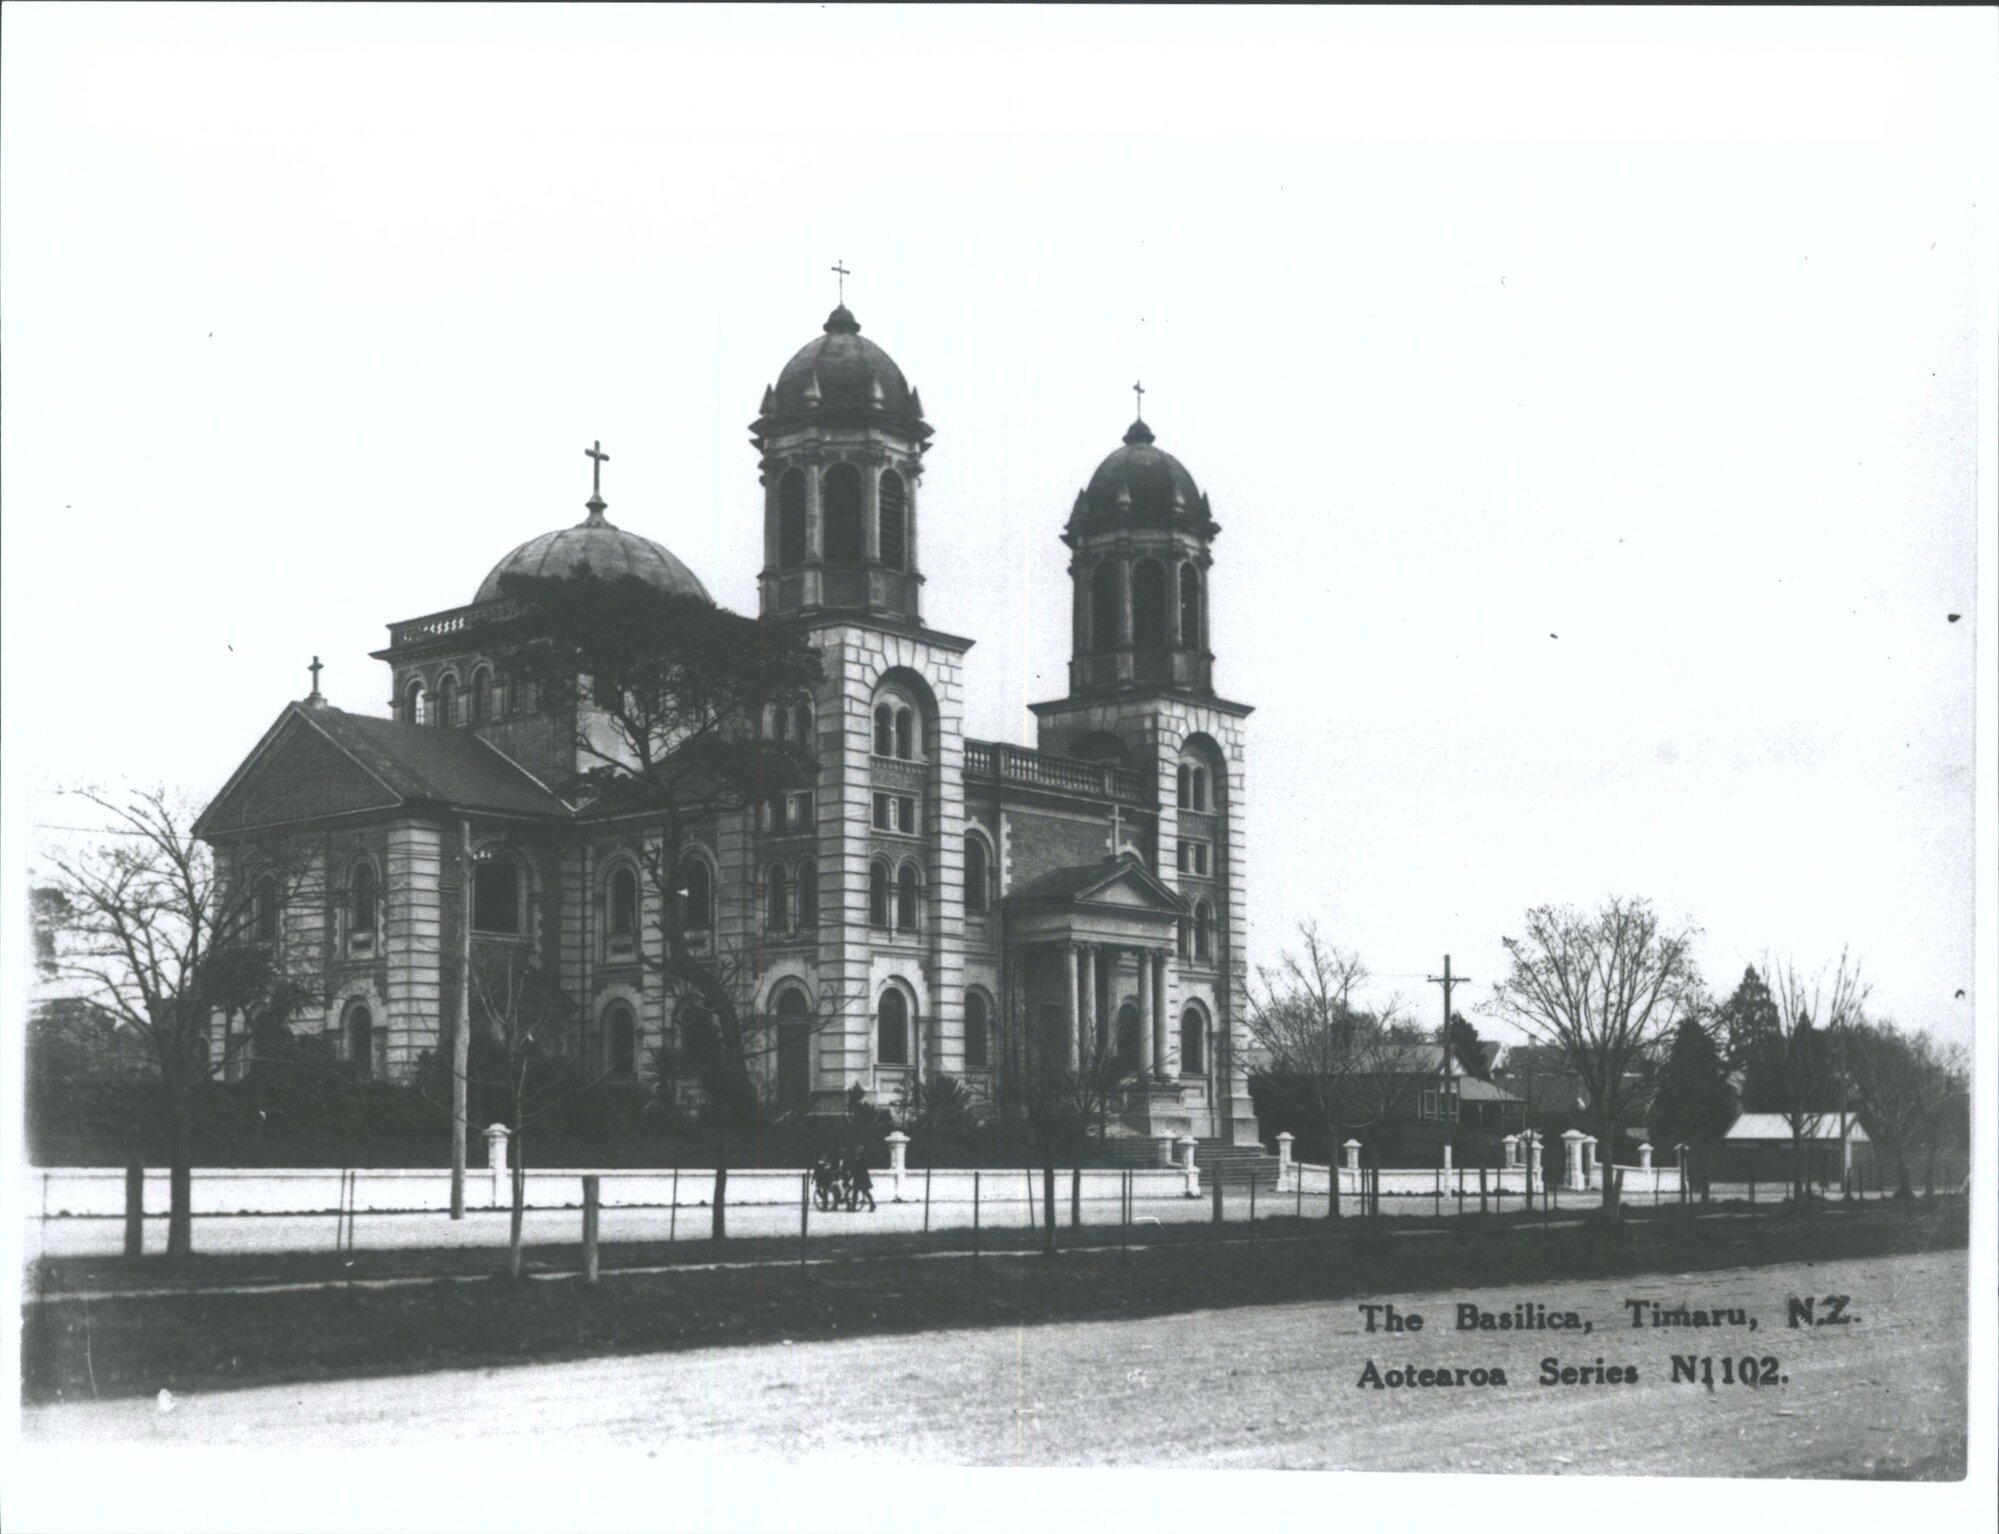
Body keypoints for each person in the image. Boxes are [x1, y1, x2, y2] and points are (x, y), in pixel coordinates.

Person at [847, 1148, 876, 1213]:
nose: (857, 1151)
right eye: (857, 1150)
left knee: (866, 1192)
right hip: (857, 1177)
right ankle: (853, 1207)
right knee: (855, 1192)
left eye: (859, 1150)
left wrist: (856, 1168)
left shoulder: (864, 1158)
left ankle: (872, 1204)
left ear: (862, 1151)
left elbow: (865, 1166)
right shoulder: (855, 1158)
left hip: (863, 1177)